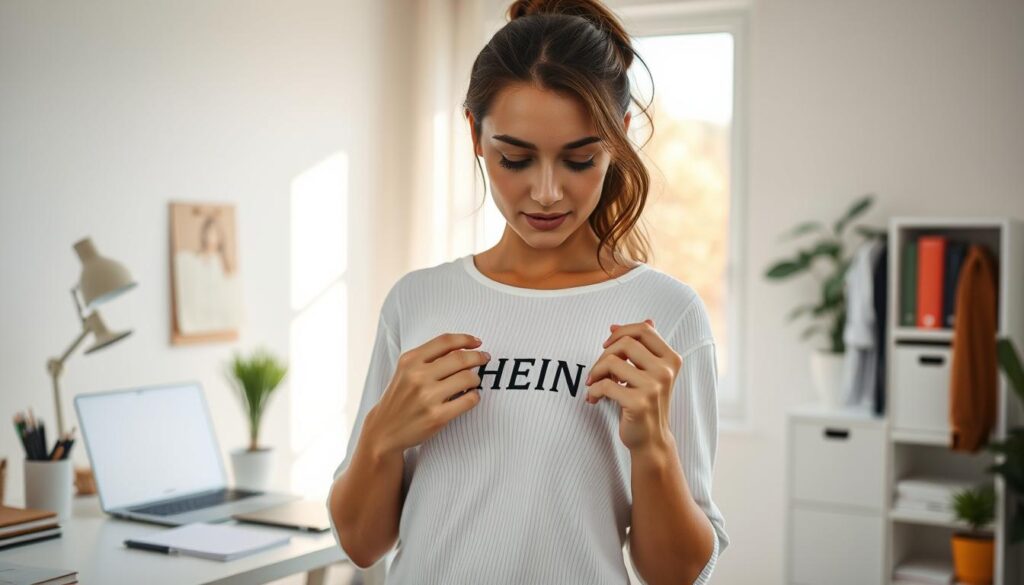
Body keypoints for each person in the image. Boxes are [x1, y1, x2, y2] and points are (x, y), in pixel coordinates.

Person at [327, 1, 728, 583]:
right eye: (514, 158)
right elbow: (362, 545)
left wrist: (654, 448)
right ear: (474, 134)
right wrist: (381, 438)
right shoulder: (417, 301)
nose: (545, 192)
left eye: (579, 159)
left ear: (616, 143)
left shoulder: (667, 314)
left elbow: (677, 575)